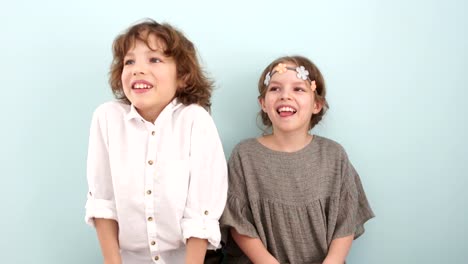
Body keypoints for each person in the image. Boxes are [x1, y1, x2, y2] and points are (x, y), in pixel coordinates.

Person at [84, 19, 227, 264]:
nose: (138, 69)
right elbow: (103, 201)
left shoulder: (195, 120)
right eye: (130, 61)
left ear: (182, 76)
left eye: (154, 59)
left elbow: (201, 212)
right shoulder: (106, 118)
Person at [220, 56, 374, 264]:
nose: (285, 96)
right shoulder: (245, 155)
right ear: (263, 103)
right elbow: (237, 222)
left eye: (298, 89)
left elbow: (346, 221)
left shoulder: (333, 155)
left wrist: (333, 261)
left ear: (317, 104)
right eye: (275, 89)